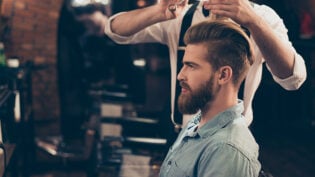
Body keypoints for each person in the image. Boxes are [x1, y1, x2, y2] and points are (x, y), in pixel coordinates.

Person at [104, 0, 306, 133]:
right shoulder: (181, 14)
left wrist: (254, 22)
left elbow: (293, 79)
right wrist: (157, 11)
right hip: (180, 136)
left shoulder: (263, 17)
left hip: (229, 143)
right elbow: (114, 30)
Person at [159, 20, 260, 177]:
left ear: (223, 75)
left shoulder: (226, 150)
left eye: (191, 66)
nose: (180, 75)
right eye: (183, 65)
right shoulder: (198, 122)